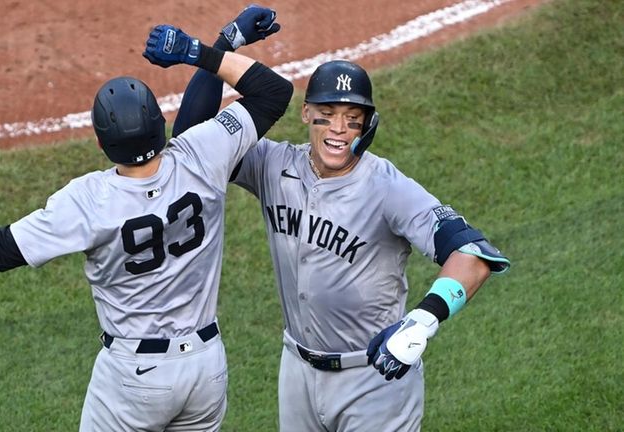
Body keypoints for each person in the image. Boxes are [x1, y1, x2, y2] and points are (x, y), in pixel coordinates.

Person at [0, 9, 291, 431]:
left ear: (103, 141)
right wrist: (209, 48)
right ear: (159, 125)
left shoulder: (89, 200)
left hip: (134, 379)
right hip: (205, 370)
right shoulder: (202, 156)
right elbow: (272, 93)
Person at [173, 29, 511, 432]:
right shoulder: (271, 165)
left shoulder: (386, 187)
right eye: (328, 114)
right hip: (297, 371)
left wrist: (423, 320)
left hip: (374, 380)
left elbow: (473, 255)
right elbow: (193, 140)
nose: (338, 130)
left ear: (367, 126)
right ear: (305, 113)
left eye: (353, 120)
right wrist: (223, 44)